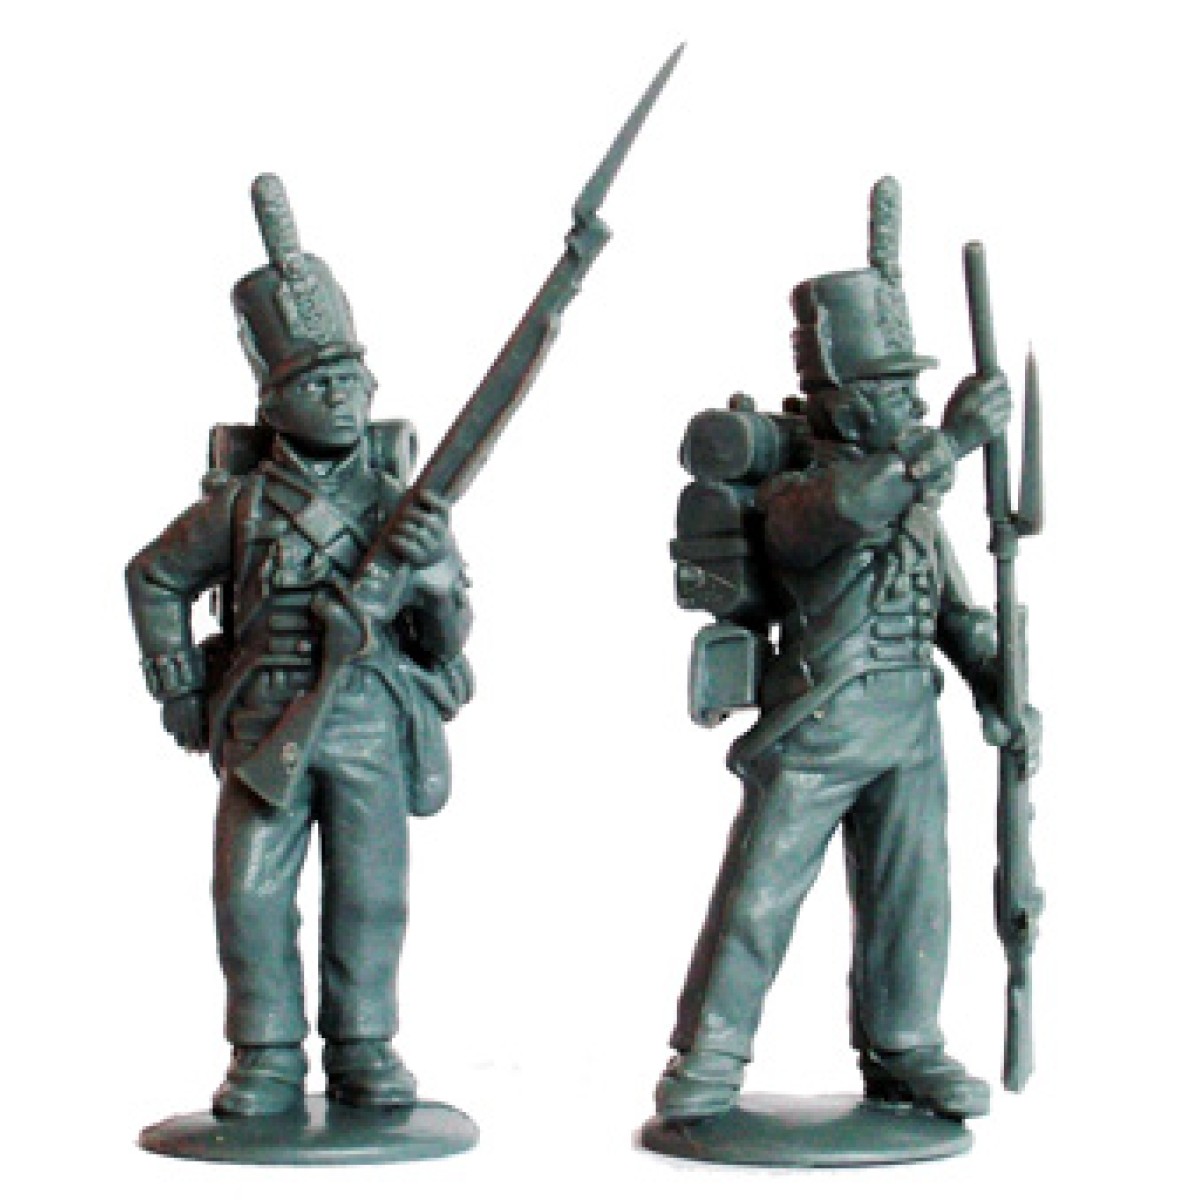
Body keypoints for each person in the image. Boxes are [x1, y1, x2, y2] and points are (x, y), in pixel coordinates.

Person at [657, 177, 1036, 1123]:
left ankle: (905, 1046)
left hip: (909, 725)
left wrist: (999, 683)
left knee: (915, 895)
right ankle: (709, 1057)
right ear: (837, 403)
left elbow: (951, 611)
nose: (910, 403)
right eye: (891, 390)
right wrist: (951, 440)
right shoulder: (804, 494)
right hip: (819, 718)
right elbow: (846, 514)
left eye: (913, 388)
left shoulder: (916, 503)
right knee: (761, 897)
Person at [127, 175, 472, 1118]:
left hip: (367, 714)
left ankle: (364, 1047)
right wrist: (179, 688)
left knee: (370, 895)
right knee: (248, 893)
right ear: (275, 402)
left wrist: (431, 574)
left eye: (352, 381)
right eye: (319, 384)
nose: (343, 398)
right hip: (264, 712)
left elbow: (444, 641)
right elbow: (153, 576)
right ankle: (267, 1054)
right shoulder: (240, 507)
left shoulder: (401, 508)